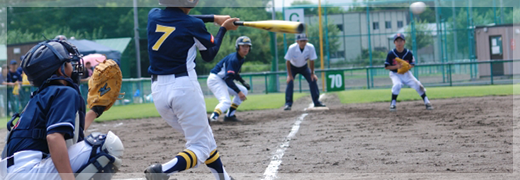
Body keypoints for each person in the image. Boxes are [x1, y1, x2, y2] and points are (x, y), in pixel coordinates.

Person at [0, 40, 124, 180]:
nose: (74, 65)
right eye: (69, 62)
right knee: (107, 145)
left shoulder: (42, 95)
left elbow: (72, 132)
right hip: (28, 172)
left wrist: (95, 111)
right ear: (61, 70)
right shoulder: (64, 92)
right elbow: (54, 138)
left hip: (14, 172)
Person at [144, 0, 238, 180]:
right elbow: (209, 54)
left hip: (158, 92)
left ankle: (224, 178)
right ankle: (162, 171)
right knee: (200, 146)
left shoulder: (153, 15)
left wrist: (214, 18)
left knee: (205, 136)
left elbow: (177, 18)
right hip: (183, 89)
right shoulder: (193, 24)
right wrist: (223, 28)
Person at [207, 36, 252, 122]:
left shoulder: (241, 58)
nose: (245, 48)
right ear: (238, 47)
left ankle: (229, 115)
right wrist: (238, 92)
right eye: (243, 46)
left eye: (247, 46)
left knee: (244, 90)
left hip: (222, 80)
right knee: (226, 101)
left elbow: (235, 74)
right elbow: (228, 79)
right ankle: (212, 118)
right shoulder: (234, 59)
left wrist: (243, 82)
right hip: (215, 80)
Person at [385, 33, 433, 111]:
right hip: (395, 74)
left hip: (406, 74)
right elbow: (387, 67)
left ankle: (427, 102)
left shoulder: (408, 53)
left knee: (418, 85)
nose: (399, 43)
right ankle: (393, 104)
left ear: (404, 42)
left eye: (401, 40)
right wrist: (397, 67)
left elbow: (412, 64)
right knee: (397, 85)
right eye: (397, 41)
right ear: (394, 43)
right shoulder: (391, 54)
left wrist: (407, 67)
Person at [283, 34, 326, 111]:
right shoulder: (292, 48)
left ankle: (316, 102)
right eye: (301, 41)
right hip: (293, 67)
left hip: (304, 67)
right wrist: (289, 75)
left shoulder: (310, 47)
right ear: (297, 42)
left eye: (304, 41)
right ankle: (288, 104)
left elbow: (312, 60)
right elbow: (287, 61)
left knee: (312, 80)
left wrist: (312, 73)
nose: (303, 43)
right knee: (290, 82)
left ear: (307, 41)